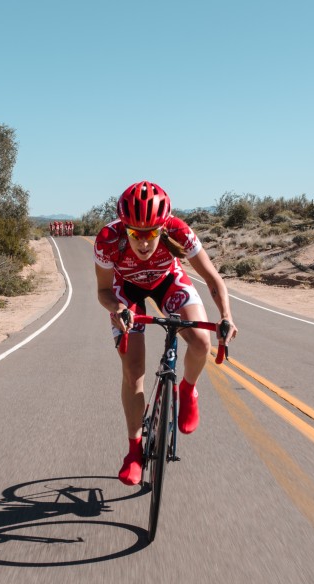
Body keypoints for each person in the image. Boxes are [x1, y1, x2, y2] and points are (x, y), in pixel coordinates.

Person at [94, 180, 238, 486]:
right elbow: (104, 291)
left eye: (151, 235)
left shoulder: (179, 231)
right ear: (125, 227)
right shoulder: (108, 238)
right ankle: (134, 450)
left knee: (201, 340)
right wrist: (118, 310)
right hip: (126, 290)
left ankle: (187, 390)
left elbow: (212, 279)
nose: (143, 243)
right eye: (135, 234)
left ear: (163, 228)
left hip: (167, 281)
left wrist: (226, 317)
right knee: (133, 371)